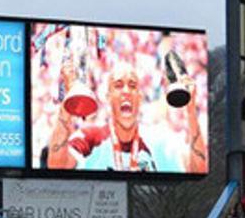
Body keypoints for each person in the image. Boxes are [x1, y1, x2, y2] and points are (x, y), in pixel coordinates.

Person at [46, 57, 206, 173]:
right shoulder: (90, 137)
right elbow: (56, 165)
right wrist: (68, 103)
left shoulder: (159, 140)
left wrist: (191, 111)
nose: (126, 92)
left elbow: (198, 170)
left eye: (132, 86)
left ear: (140, 98)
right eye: (118, 85)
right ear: (108, 97)